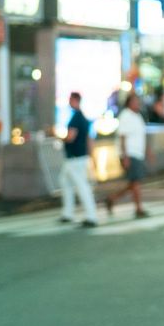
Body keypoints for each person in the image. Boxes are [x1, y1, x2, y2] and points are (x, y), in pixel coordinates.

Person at [102, 92, 151, 217]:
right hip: (130, 153)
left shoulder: (138, 116)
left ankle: (112, 198)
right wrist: (125, 156)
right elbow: (122, 137)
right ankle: (138, 208)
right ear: (129, 103)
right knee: (135, 182)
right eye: (135, 101)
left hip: (138, 153)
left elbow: (142, 136)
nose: (137, 103)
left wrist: (148, 151)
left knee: (133, 183)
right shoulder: (125, 116)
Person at [57, 92, 99, 227]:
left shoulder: (76, 118)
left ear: (75, 100)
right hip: (78, 156)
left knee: (81, 186)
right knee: (66, 182)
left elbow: (70, 137)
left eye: (70, 99)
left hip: (75, 157)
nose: (69, 102)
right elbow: (89, 139)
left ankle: (91, 216)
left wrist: (57, 137)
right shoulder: (83, 118)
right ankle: (67, 213)